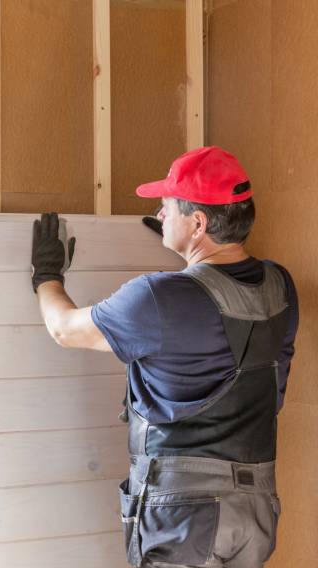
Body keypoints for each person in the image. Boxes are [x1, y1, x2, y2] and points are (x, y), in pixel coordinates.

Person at [30, 146, 298, 568]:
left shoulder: (157, 298)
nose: (158, 214)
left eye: (167, 207)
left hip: (185, 513)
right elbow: (231, 322)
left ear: (199, 223)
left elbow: (64, 328)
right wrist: (185, 249)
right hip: (255, 510)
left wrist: (46, 275)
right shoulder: (280, 285)